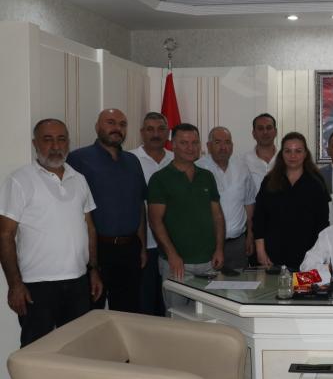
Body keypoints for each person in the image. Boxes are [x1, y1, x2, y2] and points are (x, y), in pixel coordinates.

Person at [0, 119, 102, 379]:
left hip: (77, 283)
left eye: (61, 139)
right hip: (37, 287)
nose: (55, 146)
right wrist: (15, 284)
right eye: (47, 139)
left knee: (78, 354)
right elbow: (5, 235)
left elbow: (89, 227)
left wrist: (94, 270)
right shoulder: (20, 180)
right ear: (35, 144)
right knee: (32, 356)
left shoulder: (78, 179)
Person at [67, 108, 146, 313]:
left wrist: (142, 247)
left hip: (130, 249)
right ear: (97, 127)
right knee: (91, 313)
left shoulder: (133, 161)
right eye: (111, 122)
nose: (117, 128)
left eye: (122, 124)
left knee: (128, 312)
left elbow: (139, 205)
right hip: (96, 251)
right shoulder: (78, 159)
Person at [148, 123, 225, 280]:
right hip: (177, 264)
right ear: (173, 145)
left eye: (195, 142)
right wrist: (172, 254)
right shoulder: (160, 179)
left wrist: (219, 249)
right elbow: (155, 222)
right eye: (184, 143)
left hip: (209, 262)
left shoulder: (207, 176)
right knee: (177, 299)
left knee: (211, 298)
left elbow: (218, 216)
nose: (190, 148)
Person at [254, 132, 330, 270]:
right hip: (272, 255)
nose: (292, 156)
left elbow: (323, 224)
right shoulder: (269, 181)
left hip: (308, 256)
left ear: (305, 154)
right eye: (288, 151)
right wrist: (260, 250)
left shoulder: (316, 183)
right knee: (274, 285)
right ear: (281, 154)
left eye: (298, 151)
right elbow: (259, 218)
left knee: (304, 285)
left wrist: (321, 255)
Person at [129, 111, 173, 316]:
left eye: (161, 129)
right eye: (150, 129)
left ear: (168, 132)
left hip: (172, 245)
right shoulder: (130, 159)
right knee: (144, 303)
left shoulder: (177, 159)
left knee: (169, 304)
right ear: (141, 132)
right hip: (143, 246)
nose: (156, 134)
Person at [196, 127, 257, 270]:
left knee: (238, 283)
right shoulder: (198, 169)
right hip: (207, 244)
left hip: (238, 243)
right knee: (207, 282)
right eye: (218, 142)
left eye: (227, 142)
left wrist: (250, 234)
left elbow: (249, 203)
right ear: (208, 146)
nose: (223, 147)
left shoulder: (242, 167)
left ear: (232, 146)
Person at [243, 113, 278, 192]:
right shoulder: (243, 162)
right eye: (260, 128)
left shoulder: (285, 159)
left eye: (269, 128)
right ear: (254, 133)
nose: (265, 132)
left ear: (275, 132)